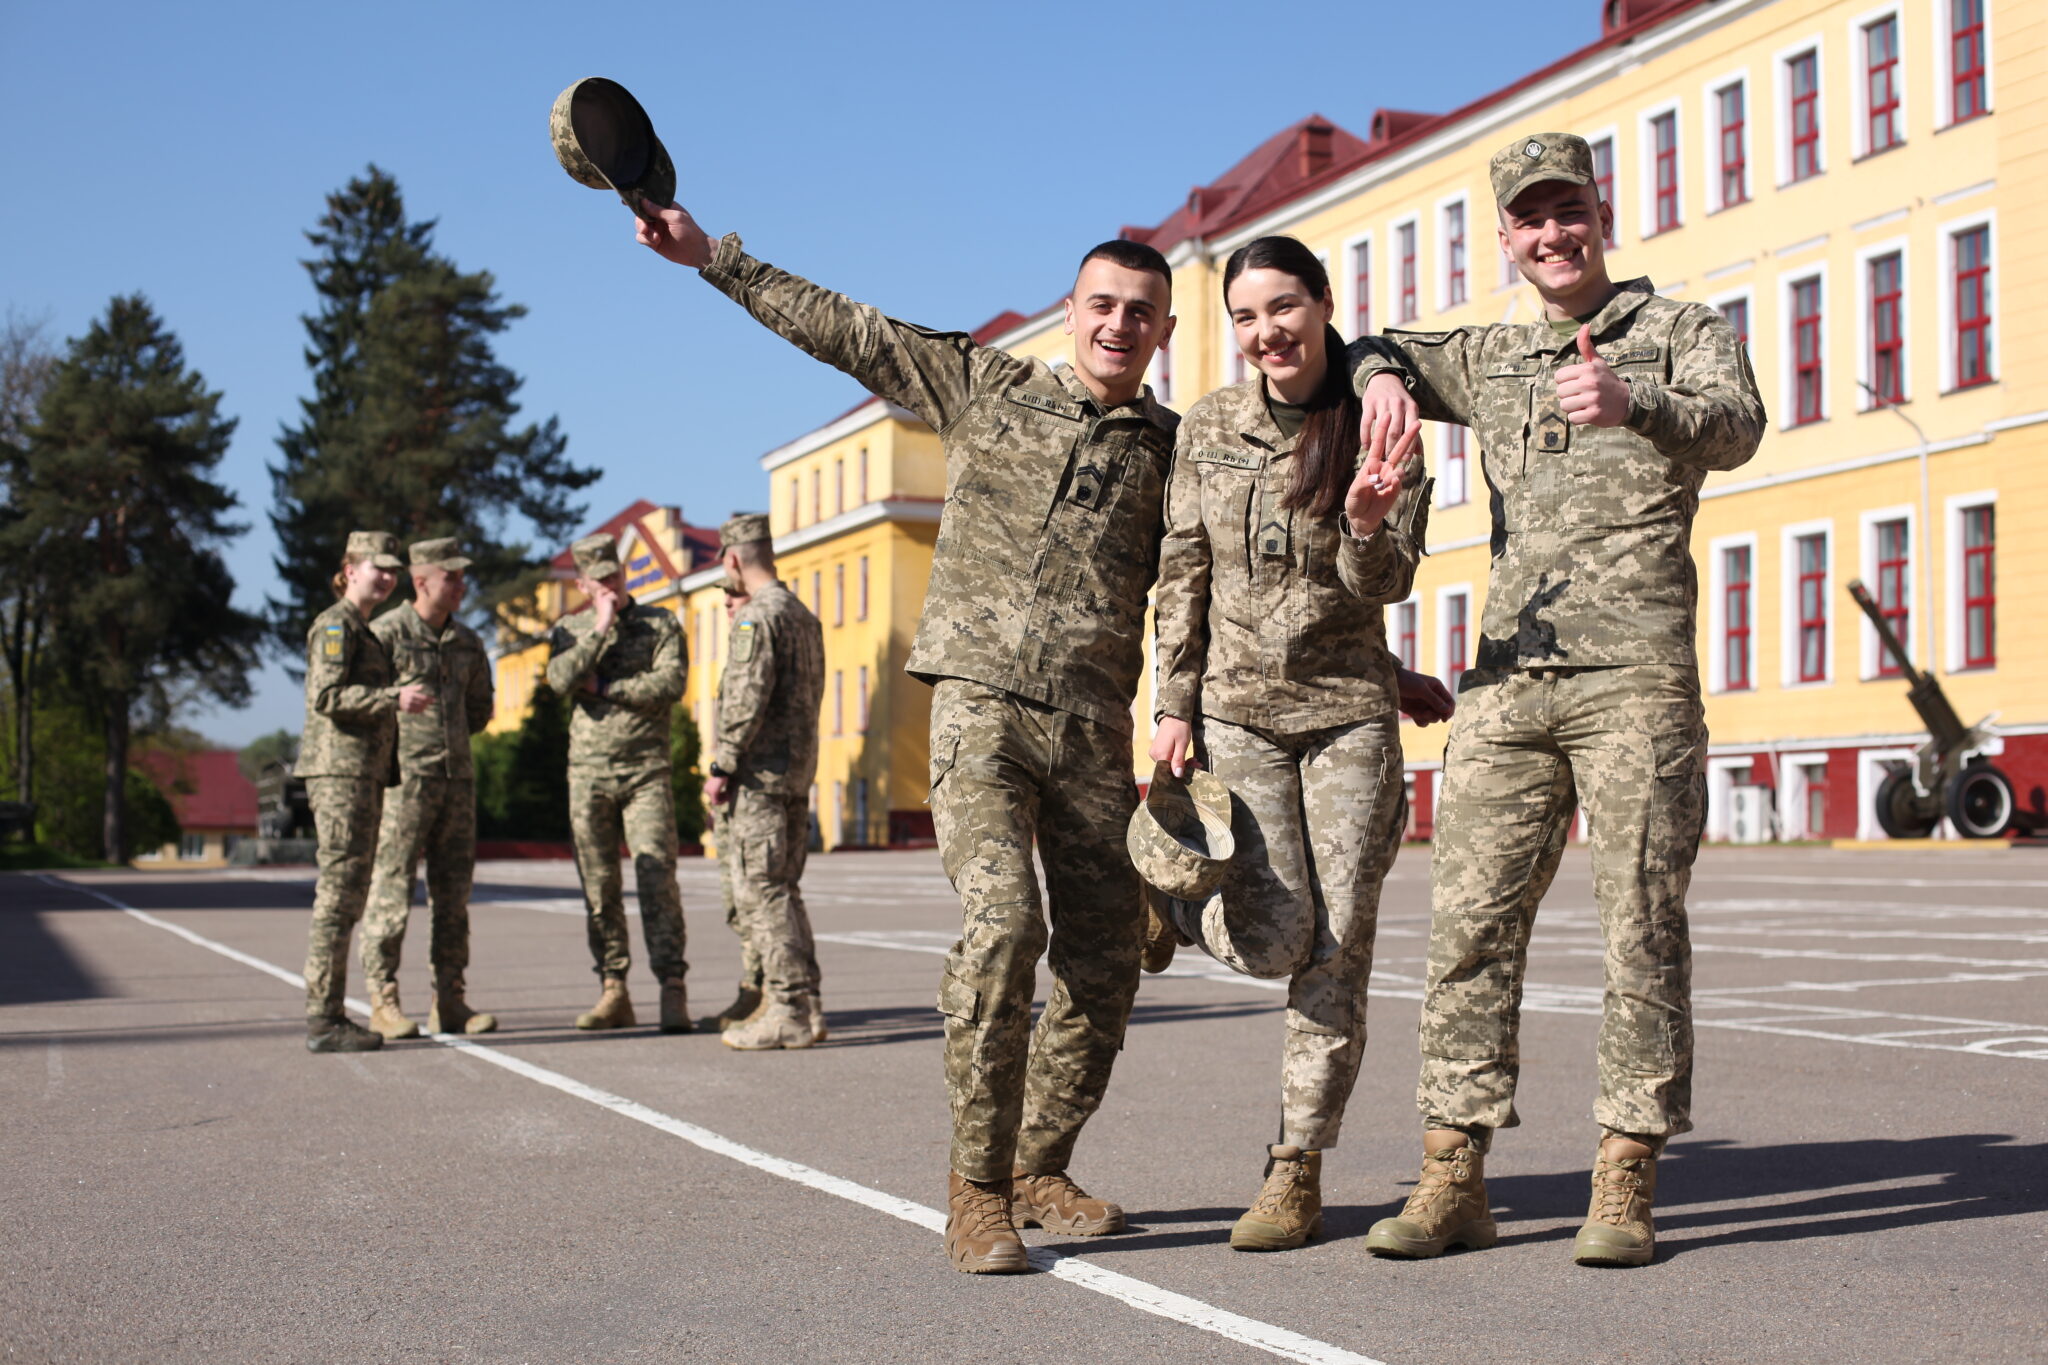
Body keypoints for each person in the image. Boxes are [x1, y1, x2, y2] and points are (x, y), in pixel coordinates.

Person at [631, 200, 1177, 1274]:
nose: (1118, 324)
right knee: (1006, 923)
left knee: (1108, 955)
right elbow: (849, 328)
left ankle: (1036, 1161)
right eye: (1102, 304)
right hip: (980, 710)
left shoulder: (1171, 451)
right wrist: (713, 260)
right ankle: (975, 1189)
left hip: (1094, 729)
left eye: (1141, 313)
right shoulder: (989, 388)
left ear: (1161, 331)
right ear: (1071, 312)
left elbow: (1234, 573)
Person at [1351, 132, 1764, 1267]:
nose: (1550, 236)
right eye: (1528, 221)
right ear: (1506, 237)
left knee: (1638, 924)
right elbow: (1368, 344)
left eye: (1565, 212)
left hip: (1634, 678)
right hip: (1506, 680)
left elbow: (1740, 425)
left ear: (1597, 211)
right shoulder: (1485, 355)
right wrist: (1383, 378)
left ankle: (1624, 1176)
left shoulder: (1675, 332)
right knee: (1465, 929)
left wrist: (1636, 403)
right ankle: (1451, 1175)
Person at [1148, 233, 1438, 1252]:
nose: (1264, 331)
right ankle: (1177, 910)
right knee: (1271, 940)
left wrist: (1365, 522)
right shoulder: (1210, 425)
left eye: (1282, 307)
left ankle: (1294, 1167)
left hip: (1348, 719)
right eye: (1243, 316)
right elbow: (1181, 567)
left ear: (1321, 305)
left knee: (1337, 945)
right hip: (1235, 716)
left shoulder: (1380, 424)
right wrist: (1169, 704)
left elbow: (1387, 584)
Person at [546, 532, 693, 1032]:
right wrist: (600, 628)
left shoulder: (659, 623)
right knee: (599, 885)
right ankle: (613, 989)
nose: (611, 583)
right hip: (587, 774)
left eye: (616, 574)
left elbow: (670, 684)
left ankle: (672, 987)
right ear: (583, 583)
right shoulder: (570, 629)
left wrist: (607, 687)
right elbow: (560, 680)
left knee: (657, 879)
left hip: (645, 771)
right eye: (600, 579)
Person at [358, 538, 499, 1038]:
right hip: (403, 784)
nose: (462, 586)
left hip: (456, 783)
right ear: (422, 582)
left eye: (463, 578)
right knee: (392, 890)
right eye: (452, 578)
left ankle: (451, 999)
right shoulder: (386, 633)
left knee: (453, 898)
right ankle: (383, 999)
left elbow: (481, 710)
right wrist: (396, 705)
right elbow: (361, 701)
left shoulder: (468, 642)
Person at [298, 531, 430, 1053]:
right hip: (340, 775)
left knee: (349, 895)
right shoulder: (336, 624)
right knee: (338, 895)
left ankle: (328, 1013)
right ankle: (324, 1017)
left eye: (394, 570)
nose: (388, 578)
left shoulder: (363, 629)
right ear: (349, 567)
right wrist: (393, 697)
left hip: (362, 775)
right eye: (378, 568)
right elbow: (327, 695)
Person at [703, 514, 826, 1052]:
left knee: (763, 890)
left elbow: (747, 697)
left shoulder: (756, 618)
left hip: (761, 775)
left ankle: (787, 1009)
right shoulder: (803, 615)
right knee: (785, 888)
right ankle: (809, 1003)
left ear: (733, 559)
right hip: (797, 771)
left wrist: (723, 764)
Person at [701, 582, 767, 1033]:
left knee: (751, 895)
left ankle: (759, 991)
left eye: (732, 598)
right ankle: (756, 988)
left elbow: (746, 708)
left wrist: (721, 768)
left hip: (748, 784)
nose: (726, 607)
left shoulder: (757, 628)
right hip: (739, 784)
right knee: (738, 900)